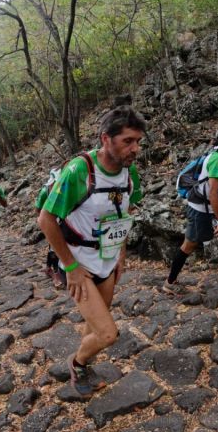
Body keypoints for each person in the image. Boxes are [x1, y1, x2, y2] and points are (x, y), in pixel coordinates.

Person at [38, 106, 146, 396]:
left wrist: (121, 253)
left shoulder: (129, 171)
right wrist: (70, 267)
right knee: (108, 333)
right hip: (79, 263)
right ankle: (77, 363)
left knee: (93, 325)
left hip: (108, 261)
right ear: (105, 139)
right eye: (128, 141)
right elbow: (46, 220)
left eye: (138, 141)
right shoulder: (78, 171)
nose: (135, 148)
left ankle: (84, 368)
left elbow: (125, 210)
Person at [163, 121, 218, 294]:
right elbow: (212, 193)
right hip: (200, 208)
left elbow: (217, 193)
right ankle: (170, 282)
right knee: (189, 245)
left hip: (214, 206)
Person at [34, 168, 65, 289]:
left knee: (54, 246)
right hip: (48, 221)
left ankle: (48, 268)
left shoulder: (64, 188)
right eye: (56, 183)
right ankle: (56, 274)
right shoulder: (44, 192)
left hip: (61, 219)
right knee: (54, 247)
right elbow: (37, 209)